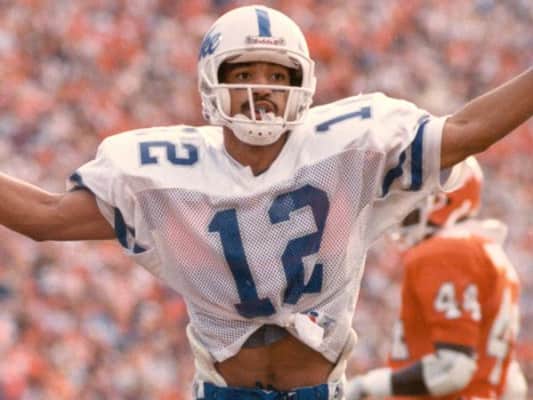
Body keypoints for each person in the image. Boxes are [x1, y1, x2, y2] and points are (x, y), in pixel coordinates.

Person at [0, 4, 531, 400]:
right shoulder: (167, 171)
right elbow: (45, 218)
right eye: (244, 74)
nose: (262, 90)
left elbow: (467, 130)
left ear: (302, 85)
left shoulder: (347, 145)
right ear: (212, 83)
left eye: (278, 75)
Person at [347, 157, 527, 400]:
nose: (404, 208)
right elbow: (513, 385)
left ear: (441, 200)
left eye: (412, 198)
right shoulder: (490, 253)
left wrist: (368, 386)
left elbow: (452, 368)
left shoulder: (444, 252)